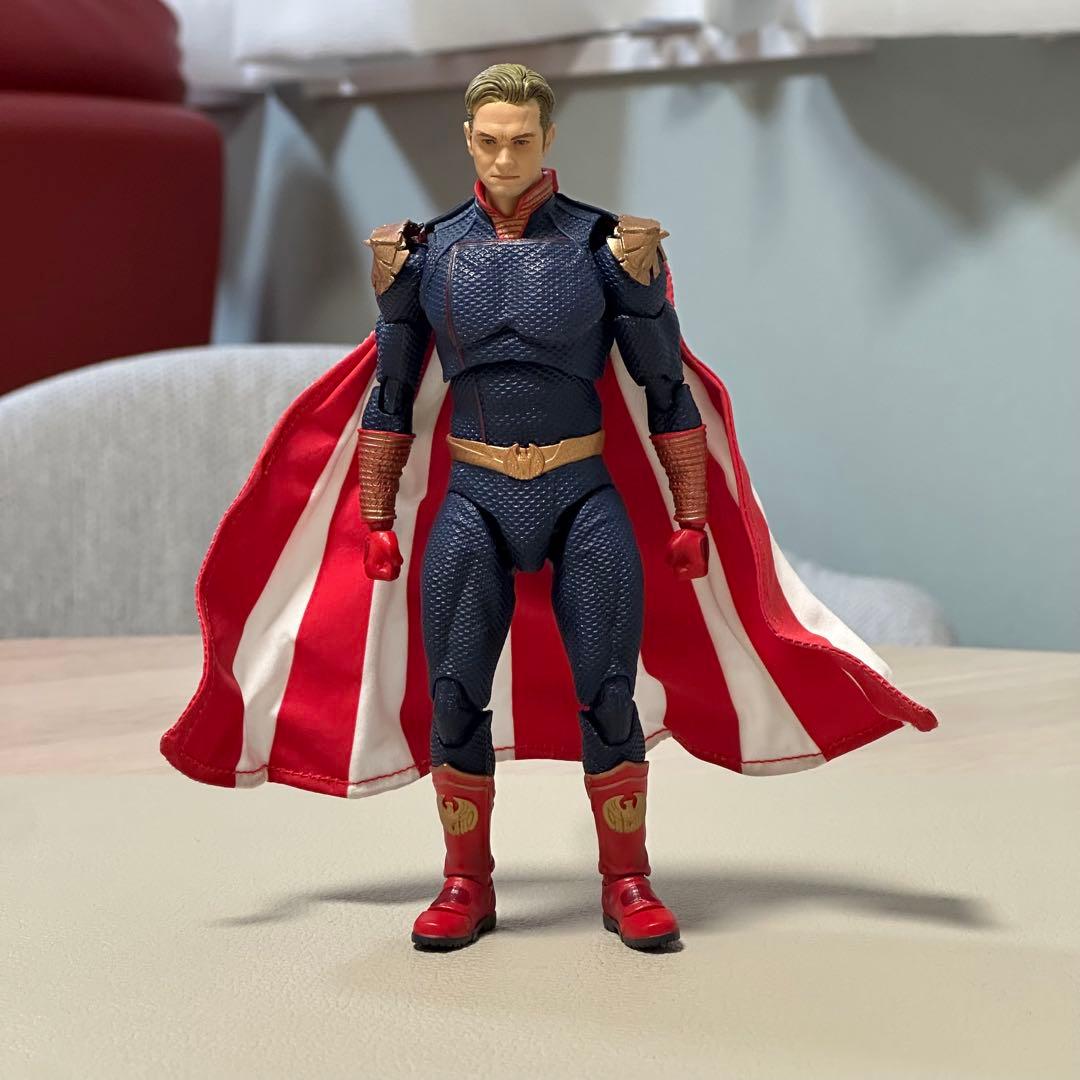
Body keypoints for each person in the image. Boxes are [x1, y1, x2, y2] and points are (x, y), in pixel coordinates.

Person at [160, 63, 938, 955]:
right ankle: (466, 881)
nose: (505, 158)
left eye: (521, 141)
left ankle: (626, 879)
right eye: (490, 141)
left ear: (548, 139)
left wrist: (690, 513)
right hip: (473, 496)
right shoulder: (422, 256)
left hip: (581, 493)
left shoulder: (611, 249)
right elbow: (391, 392)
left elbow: (665, 391)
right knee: (453, 693)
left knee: (608, 693)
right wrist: (376, 517)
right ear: (468, 139)